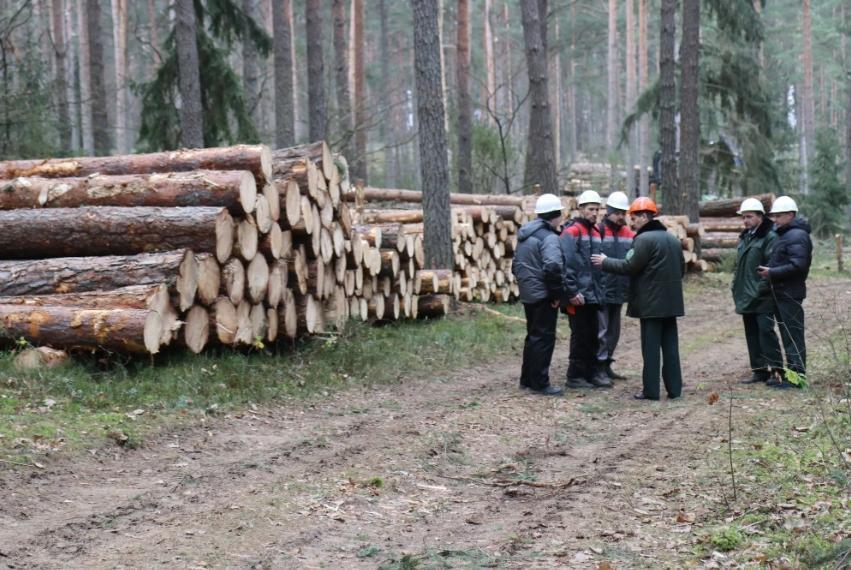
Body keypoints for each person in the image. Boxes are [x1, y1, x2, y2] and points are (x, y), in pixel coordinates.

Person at [591, 197, 684, 400]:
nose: (631, 223)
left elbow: (629, 266)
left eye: (634, 218)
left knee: (650, 349)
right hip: (672, 304)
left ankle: (651, 391)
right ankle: (674, 390)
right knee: (670, 348)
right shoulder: (673, 240)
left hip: (651, 305)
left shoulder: (643, 240)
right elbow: (681, 270)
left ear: (644, 216)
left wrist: (605, 262)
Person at [511, 193, 566, 396]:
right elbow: (553, 267)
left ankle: (527, 379)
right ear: (557, 215)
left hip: (528, 293)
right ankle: (540, 383)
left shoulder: (525, 234)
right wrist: (555, 295)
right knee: (544, 338)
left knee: (533, 337)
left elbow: (515, 265)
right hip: (543, 295)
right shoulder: (549, 237)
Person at [757, 196, 812, 388]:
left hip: (790, 293)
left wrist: (772, 273)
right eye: (774, 216)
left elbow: (798, 266)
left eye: (779, 216)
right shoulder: (786, 235)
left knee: (793, 337)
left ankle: (797, 380)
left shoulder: (797, 236)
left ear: (790, 215)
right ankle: (792, 377)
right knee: (788, 336)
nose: (775, 220)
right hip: (782, 292)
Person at [560, 190, 611, 389]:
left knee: (592, 336)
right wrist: (572, 292)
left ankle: (591, 374)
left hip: (594, 295)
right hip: (579, 296)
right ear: (580, 209)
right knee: (579, 336)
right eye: (590, 209)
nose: (594, 213)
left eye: (597, 209)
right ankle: (575, 376)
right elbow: (566, 264)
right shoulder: (571, 232)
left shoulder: (597, 231)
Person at [731, 198, 783, 384]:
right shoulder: (746, 236)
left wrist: (761, 289)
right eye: (744, 217)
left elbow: (771, 265)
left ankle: (777, 371)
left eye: (749, 217)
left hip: (763, 296)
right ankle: (759, 371)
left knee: (766, 331)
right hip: (746, 294)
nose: (746, 220)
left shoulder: (769, 236)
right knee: (751, 333)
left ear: (760, 216)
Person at [596, 191, 635, 380]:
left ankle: (608, 363)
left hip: (620, 291)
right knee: (601, 332)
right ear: (609, 211)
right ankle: (598, 367)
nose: (621, 216)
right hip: (603, 290)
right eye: (617, 212)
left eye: (623, 213)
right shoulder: (599, 231)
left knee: (614, 332)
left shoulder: (629, 234)